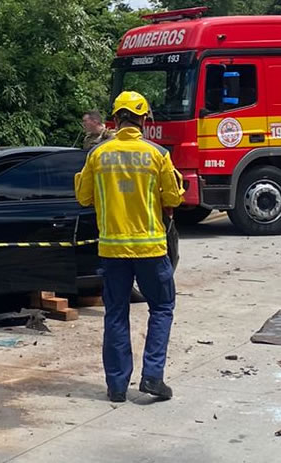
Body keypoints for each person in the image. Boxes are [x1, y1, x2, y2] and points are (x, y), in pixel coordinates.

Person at [74, 91, 184, 403]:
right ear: (144, 119)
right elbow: (174, 199)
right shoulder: (157, 154)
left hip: (112, 251)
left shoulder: (97, 155)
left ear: (115, 119)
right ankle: (152, 376)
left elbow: (83, 198)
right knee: (161, 307)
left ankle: (117, 386)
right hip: (150, 250)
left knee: (116, 314)